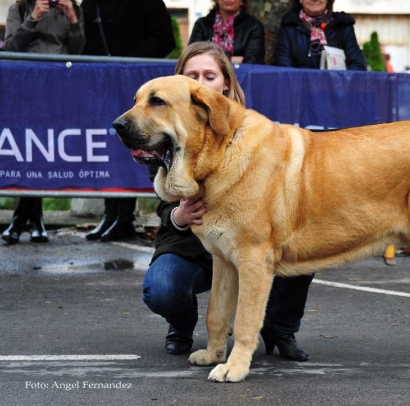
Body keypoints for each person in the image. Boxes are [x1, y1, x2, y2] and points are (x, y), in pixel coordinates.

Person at [141, 42, 313, 362]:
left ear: (226, 83)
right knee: (161, 287)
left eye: (209, 75)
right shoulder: (162, 130)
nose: (201, 83)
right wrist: (178, 215)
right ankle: (181, 325)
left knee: (298, 244)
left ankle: (279, 328)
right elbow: (162, 201)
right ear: (178, 81)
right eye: (192, 75)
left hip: (245, 236)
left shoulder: (253, 129)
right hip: (189, 244)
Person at [80, 0, 175, 242]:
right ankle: (110, 214)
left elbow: (165, 39)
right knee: (109, 150)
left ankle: (124, 217)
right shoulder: (89, 4)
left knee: (135, 147)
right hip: (101, 87)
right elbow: (84, 44)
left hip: (137, 87)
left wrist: (125, 63)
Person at [1, 0, 85, 244]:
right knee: (30, 150)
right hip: (27, 87)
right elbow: (12, 47)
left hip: (59, 87)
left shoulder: (73, 8)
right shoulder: (18, 9)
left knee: (44, 151)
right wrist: (34, 18)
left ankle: (23, 220)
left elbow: (79, 50)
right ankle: (32, 221)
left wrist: (72, 17)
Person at [274, 0, 367, 70]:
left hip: (336, 91)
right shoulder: (289, 26)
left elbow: (357, 65)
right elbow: (283, 66)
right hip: (300, 91)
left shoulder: (342, 25)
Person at [188, 0, 264, 64]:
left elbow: (252, 64)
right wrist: (232, 59)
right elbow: (192, 58)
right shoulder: (202, 24)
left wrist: (210, 58)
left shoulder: (254, 27)